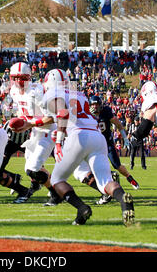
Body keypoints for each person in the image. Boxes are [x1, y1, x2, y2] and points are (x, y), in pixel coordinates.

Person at [41, 69, 135, 226]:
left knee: (57, 180)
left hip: (78, 137)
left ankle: (81, 208)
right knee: (104, 181)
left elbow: (63, 113)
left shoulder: (53, 94)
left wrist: (58, 142)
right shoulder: (78, 94)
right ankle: (123, 200)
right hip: (97, 136)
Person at [7, 62, 62, 205]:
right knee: (30, 169)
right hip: (35, 132)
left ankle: (57, 193)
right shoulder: (13, 91)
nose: (19, 82)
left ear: (29, 77)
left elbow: (51, 118)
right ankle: (48, 188)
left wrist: (28, 124)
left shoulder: (37, 91)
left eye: (23, 78)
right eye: (16, 78)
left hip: (48, 132)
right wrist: (19, 123)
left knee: (33, 169)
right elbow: (21, 112)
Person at [74, 95, 140, 205]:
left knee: (117, 165)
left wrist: (124, 137)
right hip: (94, 144)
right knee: (91, 167)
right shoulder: (86, 114)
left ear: (101, 105)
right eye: (93, 104)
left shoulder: (106, 112)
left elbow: (118, 124)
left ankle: (129, 178)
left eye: (97, 104)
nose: (95, 107)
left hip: (107, 143)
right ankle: (110, 177)